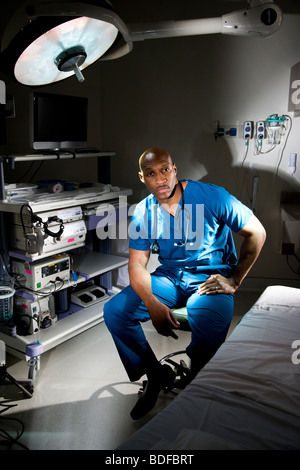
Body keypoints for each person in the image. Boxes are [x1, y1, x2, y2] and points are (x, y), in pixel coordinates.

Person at [103, 147, 266, 420]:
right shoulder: (144, 211)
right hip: (171, 278)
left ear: (175, 169)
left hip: (210, 278)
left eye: (165, 170)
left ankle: (197, 383)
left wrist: (234, 279)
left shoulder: (211, 196)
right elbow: (136, 265)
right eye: (152, 174)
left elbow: (257, 233)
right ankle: (156, 374)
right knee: (116, 312)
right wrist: (152, 303)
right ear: (142, 178)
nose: (161, 179)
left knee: (209, 322)